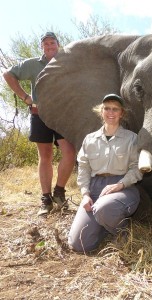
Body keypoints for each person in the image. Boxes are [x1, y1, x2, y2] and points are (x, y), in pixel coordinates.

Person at [2, 32, 76, 215]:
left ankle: (59, 192)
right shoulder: (33, 64)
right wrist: (25, 97)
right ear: (41, 47)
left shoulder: (66, 62)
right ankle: (46, 199)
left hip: (63, 115)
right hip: (39, 114)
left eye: (52, 42)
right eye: (45, 43)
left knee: (69, 152)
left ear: (58, 44)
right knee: (45, 156)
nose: (49, 46)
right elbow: (8, 74)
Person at [68, 94, 143, 252]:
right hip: (95, 188)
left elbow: (137, 168)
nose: (111, 112)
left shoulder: (132, 138)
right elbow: (84, 168)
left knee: (104, 208)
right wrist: (85, 194)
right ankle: (104, 225)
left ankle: (122, 231)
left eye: (115, 109)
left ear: (121, 113)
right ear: (101, 111)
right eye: (107, 108)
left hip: (123, 187)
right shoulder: (89, 139)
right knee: (79, 244)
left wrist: (121, 184)